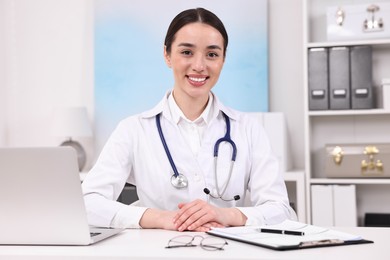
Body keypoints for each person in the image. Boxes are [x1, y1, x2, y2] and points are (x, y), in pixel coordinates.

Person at [82, 7, 296, 232]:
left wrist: (226, 214)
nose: (199, 66)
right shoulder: (133, 130)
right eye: (187, 52)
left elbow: (281, 209)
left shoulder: (249, 130)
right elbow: (88, 203)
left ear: (223, 60)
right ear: (167, 55)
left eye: (212, 54)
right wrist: (158, 218)